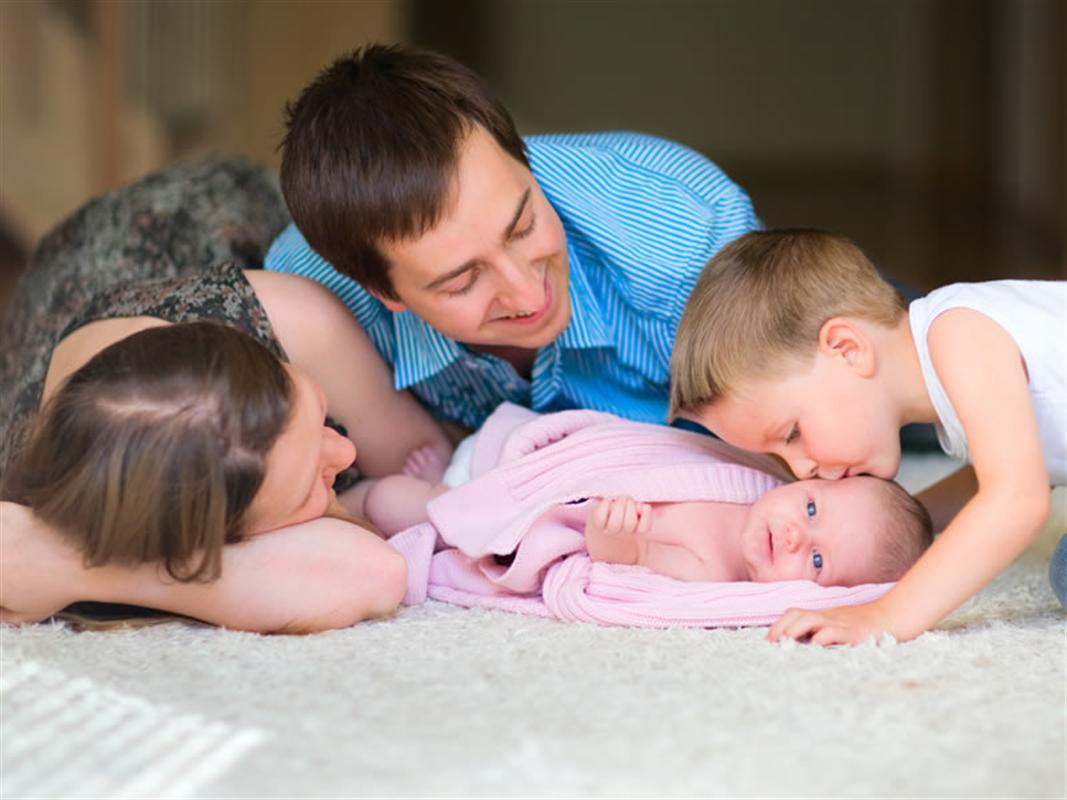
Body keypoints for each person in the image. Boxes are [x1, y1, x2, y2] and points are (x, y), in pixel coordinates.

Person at [0, 157, 453, 633]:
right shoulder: (29, 497)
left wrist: (73, 566)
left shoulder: (299, 322)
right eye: (304, 489)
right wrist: (87, 568)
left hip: (209, 205)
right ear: (208, 544)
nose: (347, 449)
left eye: (320, 416)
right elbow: (373, 572)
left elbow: (430, 468)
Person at [266, 43, 760, 430]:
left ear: (524, 159)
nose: (527, 294)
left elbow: (808, 446)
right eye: (461, 282)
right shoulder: (312, 301)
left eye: (522, 227)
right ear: (384, 290)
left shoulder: (687, 235)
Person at [669, 228, 1066, 643]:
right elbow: (1009, 467)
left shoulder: (961, 336)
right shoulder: (947, 378)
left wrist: (887, 616)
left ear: (846, 348)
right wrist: (899, 526)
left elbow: (1017, 499)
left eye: (793, 434)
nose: (803, 469)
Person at [363, 414, 933, 589]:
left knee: (391, 502)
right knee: (451, 472)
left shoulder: (713, 574)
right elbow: (660, 447)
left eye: (815, 560)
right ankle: (453, 479)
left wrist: (619, 544)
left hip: (532, 523)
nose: (793, 534)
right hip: (534, 470)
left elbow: (637, 561)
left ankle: (410, 500)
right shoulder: (757, 478)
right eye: (811, 510)